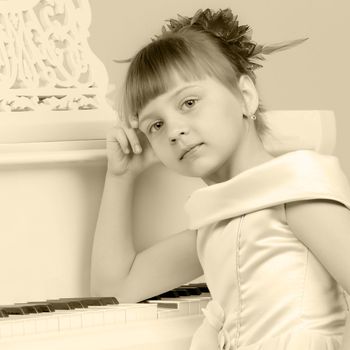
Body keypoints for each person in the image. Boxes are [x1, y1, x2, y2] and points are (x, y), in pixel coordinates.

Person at [90, 8, 350, 350]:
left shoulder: (296, 190)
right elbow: (115, 288)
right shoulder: (216, 223)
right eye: (156, 125)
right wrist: (120, 176)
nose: (174, 131)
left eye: (188, 102)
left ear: (246, 96)